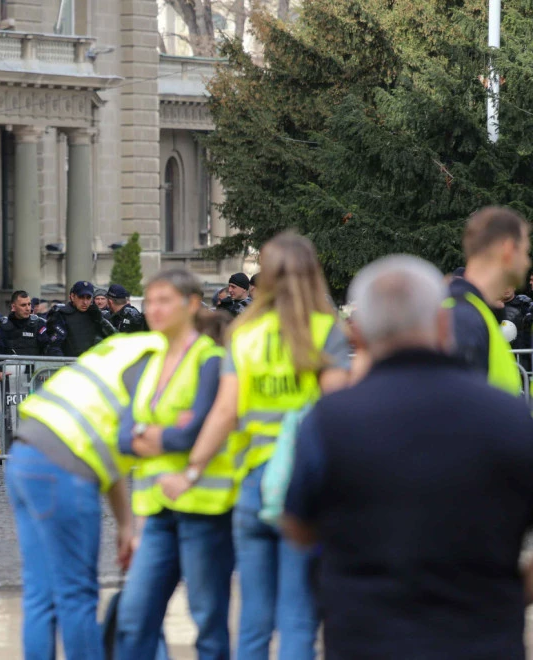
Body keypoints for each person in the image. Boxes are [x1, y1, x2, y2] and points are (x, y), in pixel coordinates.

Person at [284, 255, 533, 660]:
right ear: (442, 323)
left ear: (358, 335)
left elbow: (297, 525)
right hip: (481, 637)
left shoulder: (330, 421)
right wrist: (510, 592)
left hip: (366, 639)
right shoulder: (508, 417)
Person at [160, 232, 351, 660]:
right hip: (303, 486)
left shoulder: (244, 333)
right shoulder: (325, 331)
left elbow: (225, 412)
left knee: (253, 618)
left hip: (253, 484)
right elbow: (337, 415)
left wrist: (192, 470)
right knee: (298, 617)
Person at [10, 331, 166, 660]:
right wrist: (136, 526)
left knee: (40, 595)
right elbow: (141, 447)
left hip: (24, 453)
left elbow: (109, 456)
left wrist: (125, 524)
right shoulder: (163, 362)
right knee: (77, 595)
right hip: (64, 467)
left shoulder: (125, 346)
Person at [115, 270, 236, 660]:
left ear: (192, 304)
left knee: (208, 623)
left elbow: (192, 433)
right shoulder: (149, 362)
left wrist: (149, 433)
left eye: (165, 300)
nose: (154, 309)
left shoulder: (209, 359)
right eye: (149, 301)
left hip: (202, 508)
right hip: (156, 510)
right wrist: (162, 431)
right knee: (134, 619)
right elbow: (123, 438)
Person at [447, 206, 530, 394]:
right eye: (525, 252)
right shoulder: (464, 319)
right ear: (508, 250)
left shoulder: (476, 312)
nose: (527, 262)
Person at [46, 281, 116, 357]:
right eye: (81, 297)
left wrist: (100, 320)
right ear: (73, 297)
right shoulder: (61, 315)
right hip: (69, 362)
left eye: (88, 298)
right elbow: (55, 347)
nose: (85, 302)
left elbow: (115, 338)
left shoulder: (95, 314)